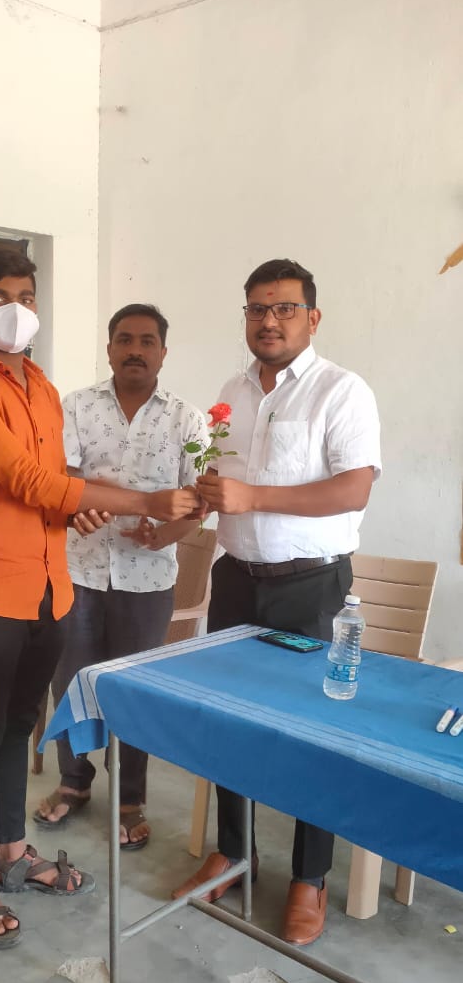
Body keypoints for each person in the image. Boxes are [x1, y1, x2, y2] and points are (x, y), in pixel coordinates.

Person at [0, 250, 196, 950]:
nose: (14, 309)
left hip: (51, 586)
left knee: (19, 725)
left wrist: (76, 511)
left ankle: (12, 853)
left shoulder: (43, 390)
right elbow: (29, 480)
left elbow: (54, 487)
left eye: (25, 295)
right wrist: (144, 500)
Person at [172, 258, 381, 946]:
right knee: (229, 722)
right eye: (257, 309)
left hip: (311, 588)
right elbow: (220, 482)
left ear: (311, 318)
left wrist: (253, 496)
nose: (269, 320)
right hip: (236, 580)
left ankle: (309, 878)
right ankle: (235, 853)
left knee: (312, 732)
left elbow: (354, 489)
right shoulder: (231, 392)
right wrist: (185, 507)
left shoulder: (341, 391)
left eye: (284, 308)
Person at [33, 303, 208, 849]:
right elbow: (61, 478)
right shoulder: (75, 406)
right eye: (125, 340)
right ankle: (74, 781)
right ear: (109, 348)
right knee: (72, 680)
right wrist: (76, 507)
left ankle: (130, 798)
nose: (135, 350)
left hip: (148, 579)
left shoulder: (188, 419)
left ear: (163, 351)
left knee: (134, 690)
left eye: (147, 341)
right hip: (79, 569)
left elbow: (199, 503)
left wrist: (166, 535)